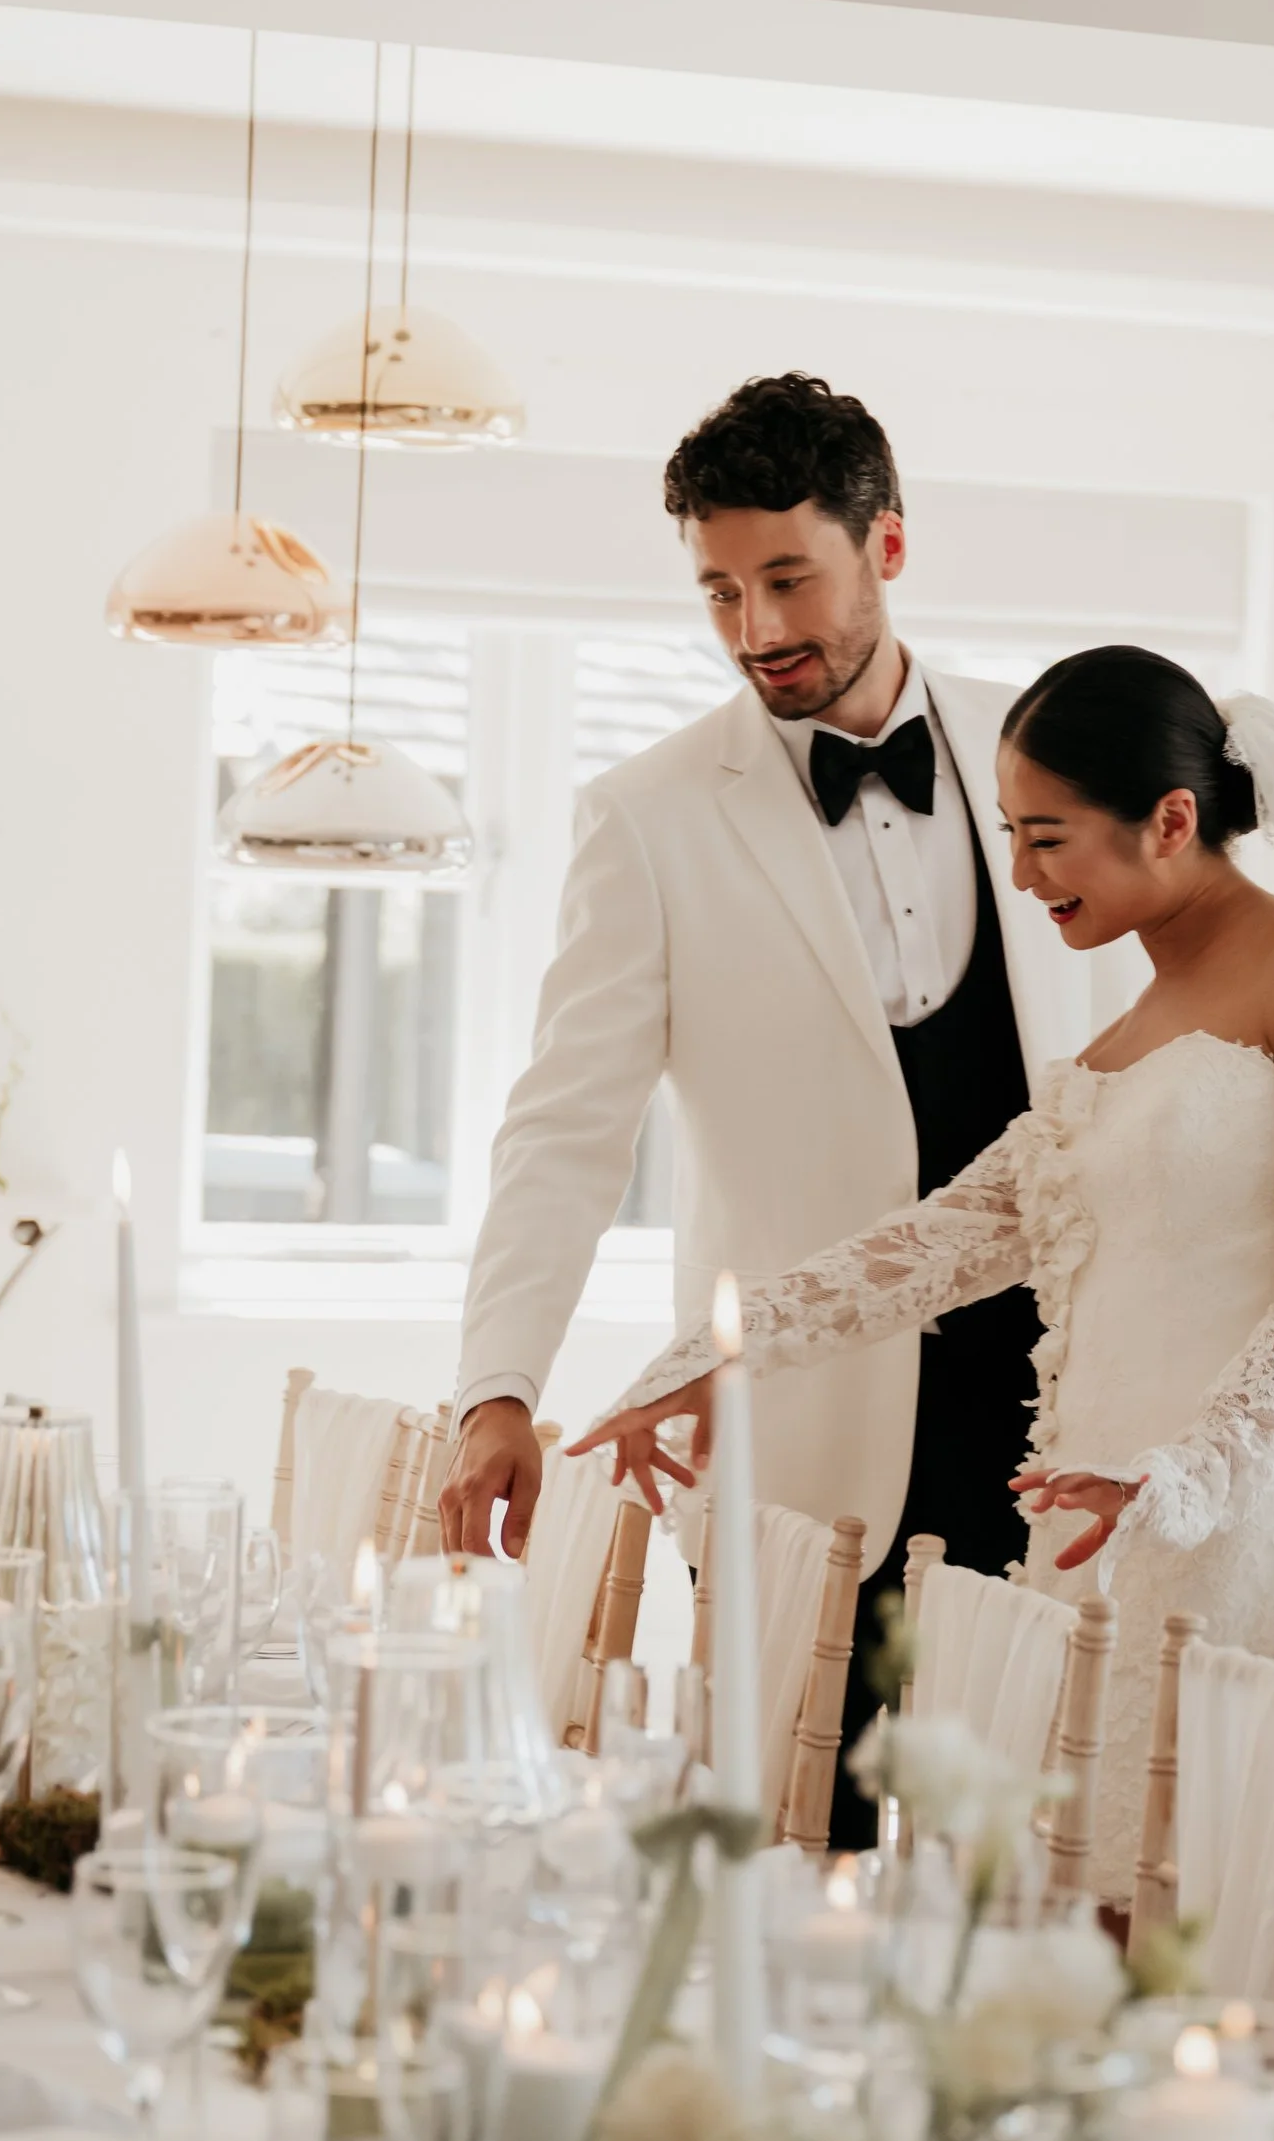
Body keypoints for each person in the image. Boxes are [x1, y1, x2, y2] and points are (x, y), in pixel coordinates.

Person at [573, 645, 1274, 1909]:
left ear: (1172, 822)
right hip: (1088, 1533)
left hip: (1234, 1529)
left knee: (1223, 1941)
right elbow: (942, 1241)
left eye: (1047, 838)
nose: (1019, 874)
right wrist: (707, 1353)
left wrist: (1188, 1476)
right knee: (1069, 1940)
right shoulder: (1142, 1009)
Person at [442, 374, 1086, 1804]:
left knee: (1032, 1850)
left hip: (1062, 1418)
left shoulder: (1041, 752)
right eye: (720, 591)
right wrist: (498, 1386)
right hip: (803, 1443)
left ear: (889, 547)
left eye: (788, 578)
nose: (758, 631)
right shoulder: (648, 820)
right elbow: (563, 1132)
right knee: (806, 1850)